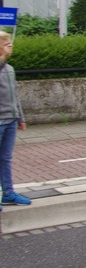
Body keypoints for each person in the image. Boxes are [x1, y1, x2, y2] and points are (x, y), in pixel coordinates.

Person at [0, 32, 30, 208]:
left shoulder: (10, 69)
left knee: (5, 159)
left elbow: (15, 95)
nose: (11, 46)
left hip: (10, 120)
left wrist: (20, 117)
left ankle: (8, 194)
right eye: (6, 44)